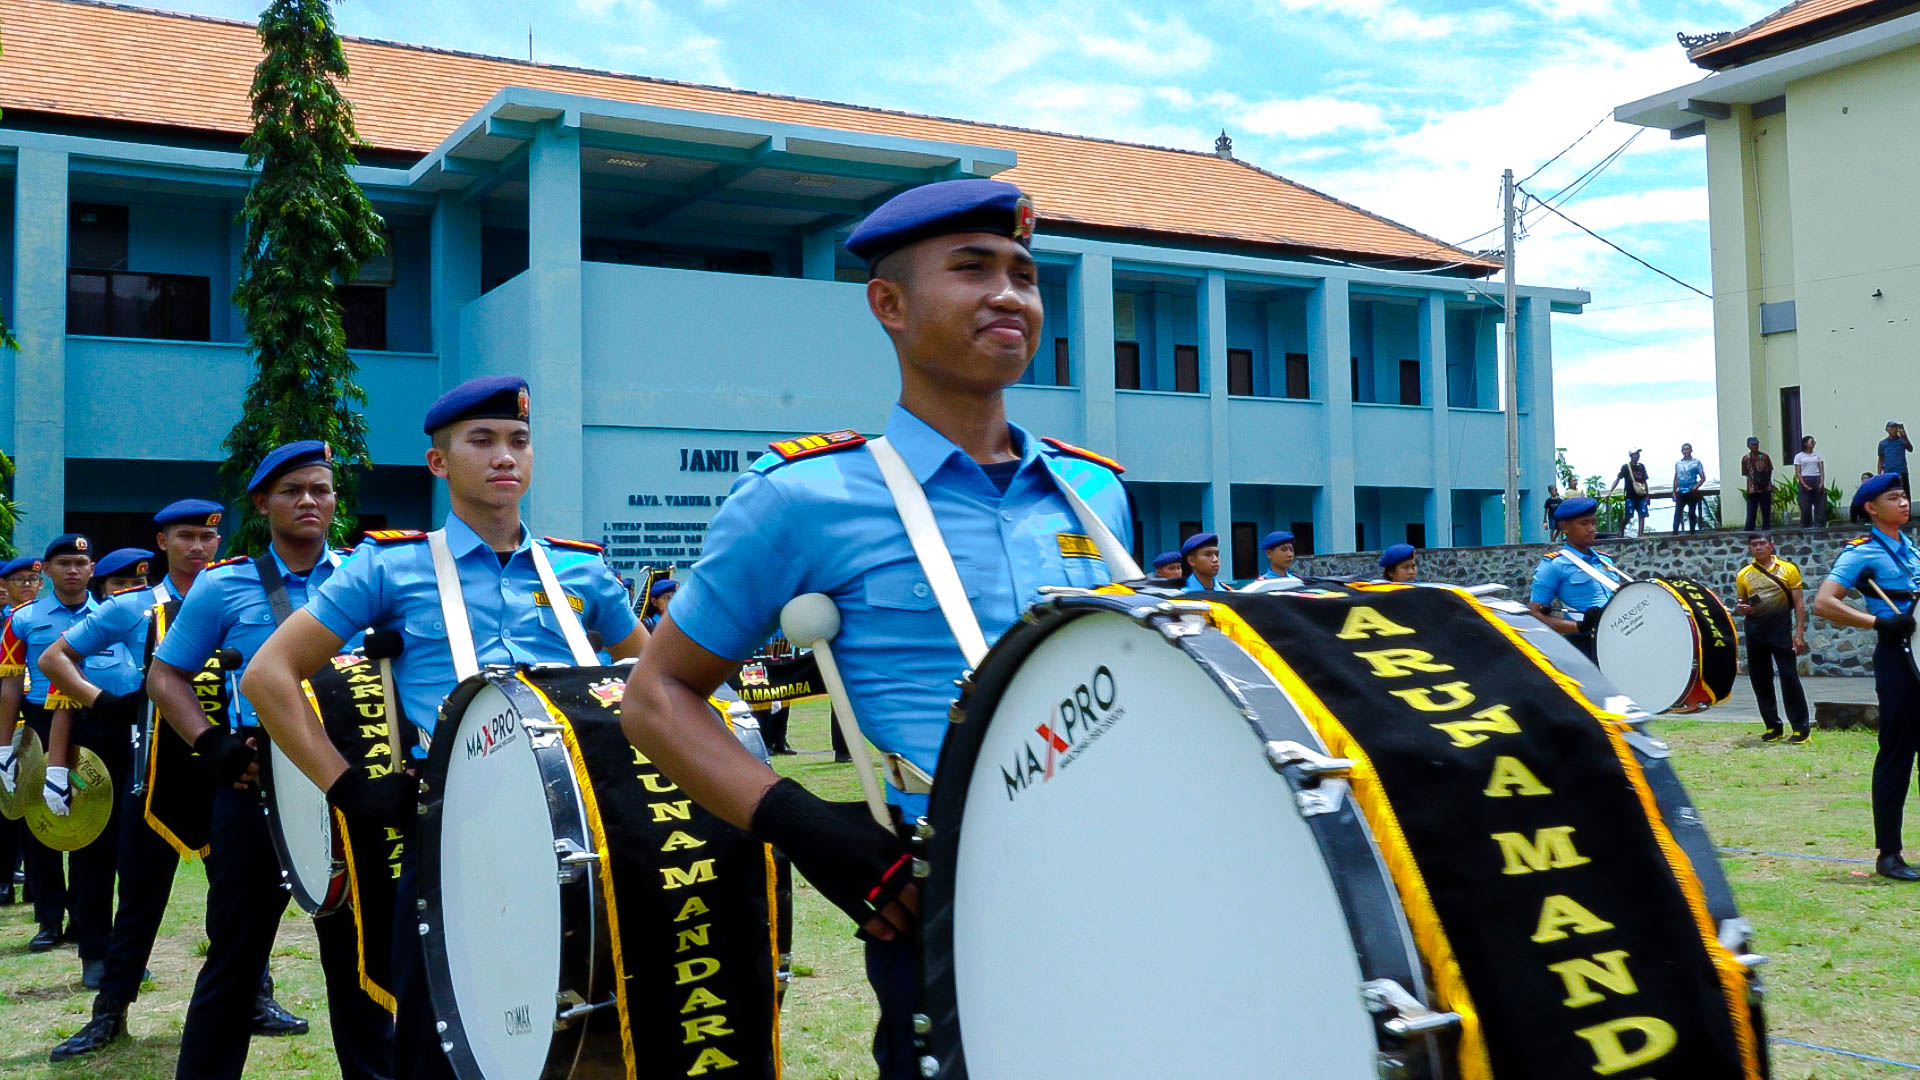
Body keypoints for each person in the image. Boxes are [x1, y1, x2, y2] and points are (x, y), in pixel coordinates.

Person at [616, 178, 1132, 1080]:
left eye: (1024, 273)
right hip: (948, 906)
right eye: (972, 270)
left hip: (1124, 883)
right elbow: (657, 696)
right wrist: (808, 827)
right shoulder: (802, 497)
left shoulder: (1094, 493)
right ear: (888, 304)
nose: (1009, 294)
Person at [240, 376, 646, 1080]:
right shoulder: (390, 566)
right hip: (452, 829)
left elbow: (655, 685)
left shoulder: (582, 570)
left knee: (591, 1031)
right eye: (481, 441)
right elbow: (268, 677)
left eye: (518, 441)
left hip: (587, 826)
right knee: (437, 1043)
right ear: (439, 463)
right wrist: (347, 788)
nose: (504, 457)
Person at [37, 502, 293, 1060]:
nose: (198, 547)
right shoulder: (133, 607)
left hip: (230, 770)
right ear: (162, 542)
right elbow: (56, 658)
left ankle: (256, 997)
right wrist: (103, 703)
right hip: (153, 779)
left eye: (207, 536)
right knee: (139, 902)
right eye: (185, 537)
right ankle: (110, 1012)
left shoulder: (231, 594)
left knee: (239, 899)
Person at [147, 445, 370, 1080]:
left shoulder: (364, 574)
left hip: (352, 784)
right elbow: (166, 675)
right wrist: (207, 740)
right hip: (256, 787)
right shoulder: (224, 583)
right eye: (292, 490)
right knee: (236, 956)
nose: (309, 501)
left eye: (321, 490)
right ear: (262, 504)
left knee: (359, 956)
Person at [33, 547, 148, 991]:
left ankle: (128, 952)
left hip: (144, 744)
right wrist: (57, 772)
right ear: (106, 588)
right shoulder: (86, 633)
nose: (129, 594)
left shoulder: (154, 624)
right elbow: (63, 705)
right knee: (93, 856)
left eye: (137, 585)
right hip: (95, 748)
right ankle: (95, 953)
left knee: (135, 857)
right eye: (120, 586)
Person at [1812, 473, 1920, 881]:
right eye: (1895, 498)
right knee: (1896, 754)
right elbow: (1824, 602)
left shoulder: (1910, 549)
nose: (1904, 503)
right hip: (1897, 657)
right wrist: (1877, 622)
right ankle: (1888, 854)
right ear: (1873, 509)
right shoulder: (1861, 553)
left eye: (1905, 496)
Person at [1, 534, 96, 954]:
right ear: (48, 570)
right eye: (64, 563)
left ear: (92, 568)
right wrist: (4, 746)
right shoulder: (23, 618)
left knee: (91, 815)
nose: (73, 570)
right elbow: (7, 687)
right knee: (39, 821)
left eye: (80, 562)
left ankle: (84, 914)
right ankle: (48, 918)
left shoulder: (110, 613)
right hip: (39, 719)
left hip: (95, 719)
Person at [1734, 532, 1810, 745]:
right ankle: (1772, 726)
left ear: (1771, 546)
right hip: (1755, 632)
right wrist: (1742, 608)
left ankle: (1800, 728)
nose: (1758, 548)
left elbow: (1799, 604)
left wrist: (1799, 634)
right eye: (1754, 544)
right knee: (1760, 680)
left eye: (1762, 543)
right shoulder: (1744, 575)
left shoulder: (1788, 570)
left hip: (1781, 631)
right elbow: (1742, 604)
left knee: (1789, 677)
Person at [1527, 498, 1627, 660]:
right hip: (1584, 644)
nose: (1591, 529)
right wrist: (1578, 626)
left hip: (1619, 639)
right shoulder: (1554, 565)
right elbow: (1534, 613)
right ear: (1565, 527)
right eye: (1584, 523)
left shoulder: (1605, 561)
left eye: (1594, 523)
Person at [0, 554, 37, 908]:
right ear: (4, 586)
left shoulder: (40, 622)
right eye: (19, 580)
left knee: (32, 804)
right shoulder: (6, 624)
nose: (27, 586)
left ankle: (31, 882)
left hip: (32, 722)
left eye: (32, 580)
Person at [1607, 450, 1651, 537]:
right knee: (1628, 515)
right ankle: (1621, 529)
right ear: (1631, 456)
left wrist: (1647, 495)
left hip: (1641, 495)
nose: (1637, 456)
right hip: (1630, 495)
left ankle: (1640, 535)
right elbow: (1618, 479)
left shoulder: (1641, 467)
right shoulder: (1626, 467)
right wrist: (1610, 491)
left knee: (1642, 514)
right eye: (1635, 454)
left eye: (1638, 454)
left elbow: (1645, 481)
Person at [1741, 436, 1774, 531]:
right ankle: (1749, 528)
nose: (1755, 446)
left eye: (1757, 444)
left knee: (1766, 508)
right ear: (1748, 446)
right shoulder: (1746, 458)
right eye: (1753, 444)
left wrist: (1766, 481)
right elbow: (1745, 473)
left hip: (1765, 486)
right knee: (1751, 510)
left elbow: (1770, 469)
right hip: (1753, 488)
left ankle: (1766, 527)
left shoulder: (1765, 456)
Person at [1672, 442, 1706, 533]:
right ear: (1682, 451)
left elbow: (1703, 478)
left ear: (1691, 450)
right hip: (1681, 491)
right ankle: (1675, 531)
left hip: (1692, 491)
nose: (1686, 451)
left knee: (1692, 512)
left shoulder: (1696, 462)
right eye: (1684, 449)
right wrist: (1674, 491)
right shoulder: (1678, 463)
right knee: (1678, 512)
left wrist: (1696, 486)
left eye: (1688, 449)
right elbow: (1676, 477)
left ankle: (1692, 531)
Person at [1794, 435, 1827, 527]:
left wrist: (1821, 482)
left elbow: (1821, 470)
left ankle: (1819, 524)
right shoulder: (1799, 456)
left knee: (1820, 504)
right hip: (1805, 479)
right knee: (1805, 505)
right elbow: (1798, 472)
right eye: (1811, 442)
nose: (1813, 443)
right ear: (1805, 444)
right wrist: (1804, 484)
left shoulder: (1817, 455)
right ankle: (1805, 524)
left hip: (1816, 478)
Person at [1880, 420, 1912, 498]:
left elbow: (1910, 449)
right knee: (1891, 494)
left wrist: (1905, 436)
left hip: (1901, 471)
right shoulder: (1883, 444)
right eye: (1892, 427)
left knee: (1905, 493)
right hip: (1888, 472)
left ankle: (1907, 509)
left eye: (1895, 427)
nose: (1894, 429)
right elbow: (1881, 459)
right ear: (1887, 429)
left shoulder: (1902, 440)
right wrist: (1880, 473)